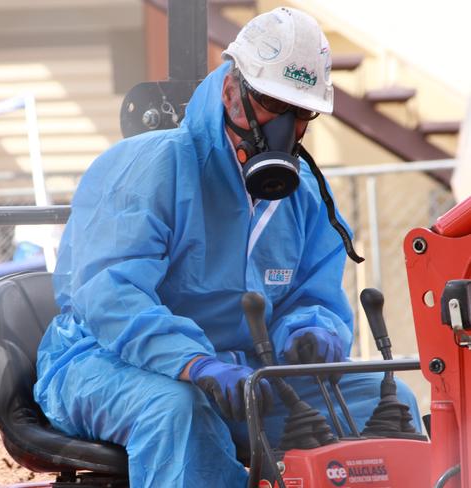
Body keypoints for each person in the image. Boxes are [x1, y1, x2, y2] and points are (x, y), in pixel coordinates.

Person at [34, 7, 419, 487]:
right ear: (231, 89)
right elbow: (111, 296)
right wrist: (195, 362)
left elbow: (312, 297)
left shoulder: (302, 197)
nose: (284, 127)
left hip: (244, 373)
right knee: (179, 410)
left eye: (299, 113)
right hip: (107, 362)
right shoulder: (153, 167)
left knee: (390, 399)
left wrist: (309, 332)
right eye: (271, 106)